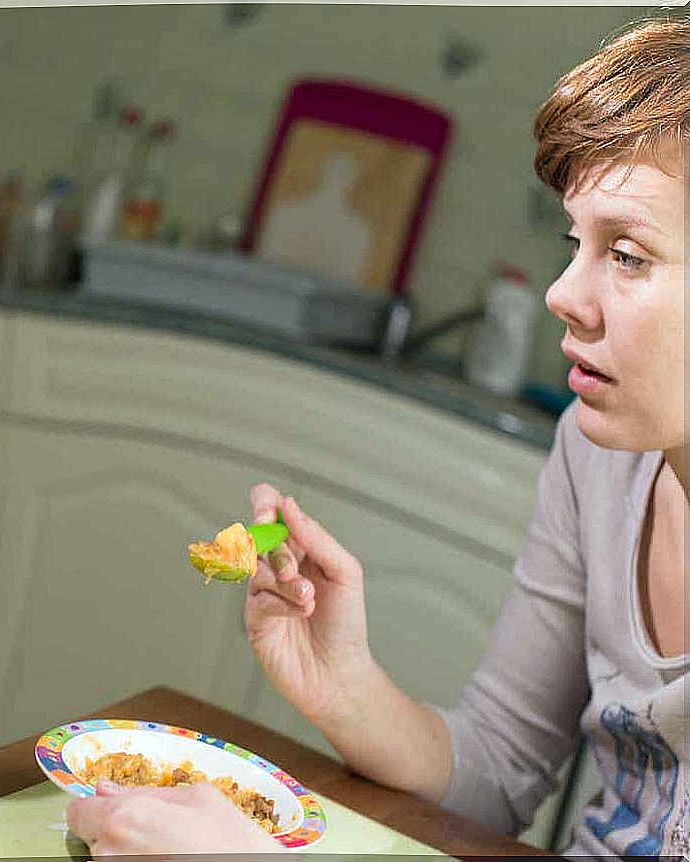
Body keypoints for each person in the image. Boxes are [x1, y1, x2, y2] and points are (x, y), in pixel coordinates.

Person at [68, 13, 687, 858]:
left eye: (628, 255)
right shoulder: (597, 458)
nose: (562, 295)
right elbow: (499, 772)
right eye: (576, 243)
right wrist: (346, 690)